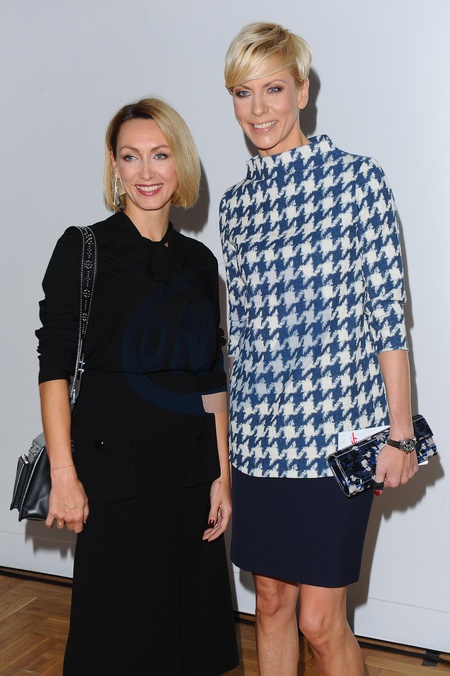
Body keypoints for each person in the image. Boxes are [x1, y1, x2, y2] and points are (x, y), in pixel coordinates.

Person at [219, 22, 418, 676]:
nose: (259, 108)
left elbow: (388, 317)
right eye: (243, 92)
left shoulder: (358, 181)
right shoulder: (236, 207)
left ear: (302, 91)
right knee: (271, 601)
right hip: (258, 440)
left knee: (320, 620)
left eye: (273, 89)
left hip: (338, 435)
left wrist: (400, 434)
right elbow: (242, 335)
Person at [37, 97, 239, 675]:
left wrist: (221, 476)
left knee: (189, 635)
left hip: (188, 473)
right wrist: (63, 475)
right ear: (114, 165)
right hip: (114, 477)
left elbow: (210, 378)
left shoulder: (200, 262)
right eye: (131, 156)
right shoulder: (83, 248)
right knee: (118, 635)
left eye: (160, 155)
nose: (146, 171)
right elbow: (54, 367)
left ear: (181, 163)